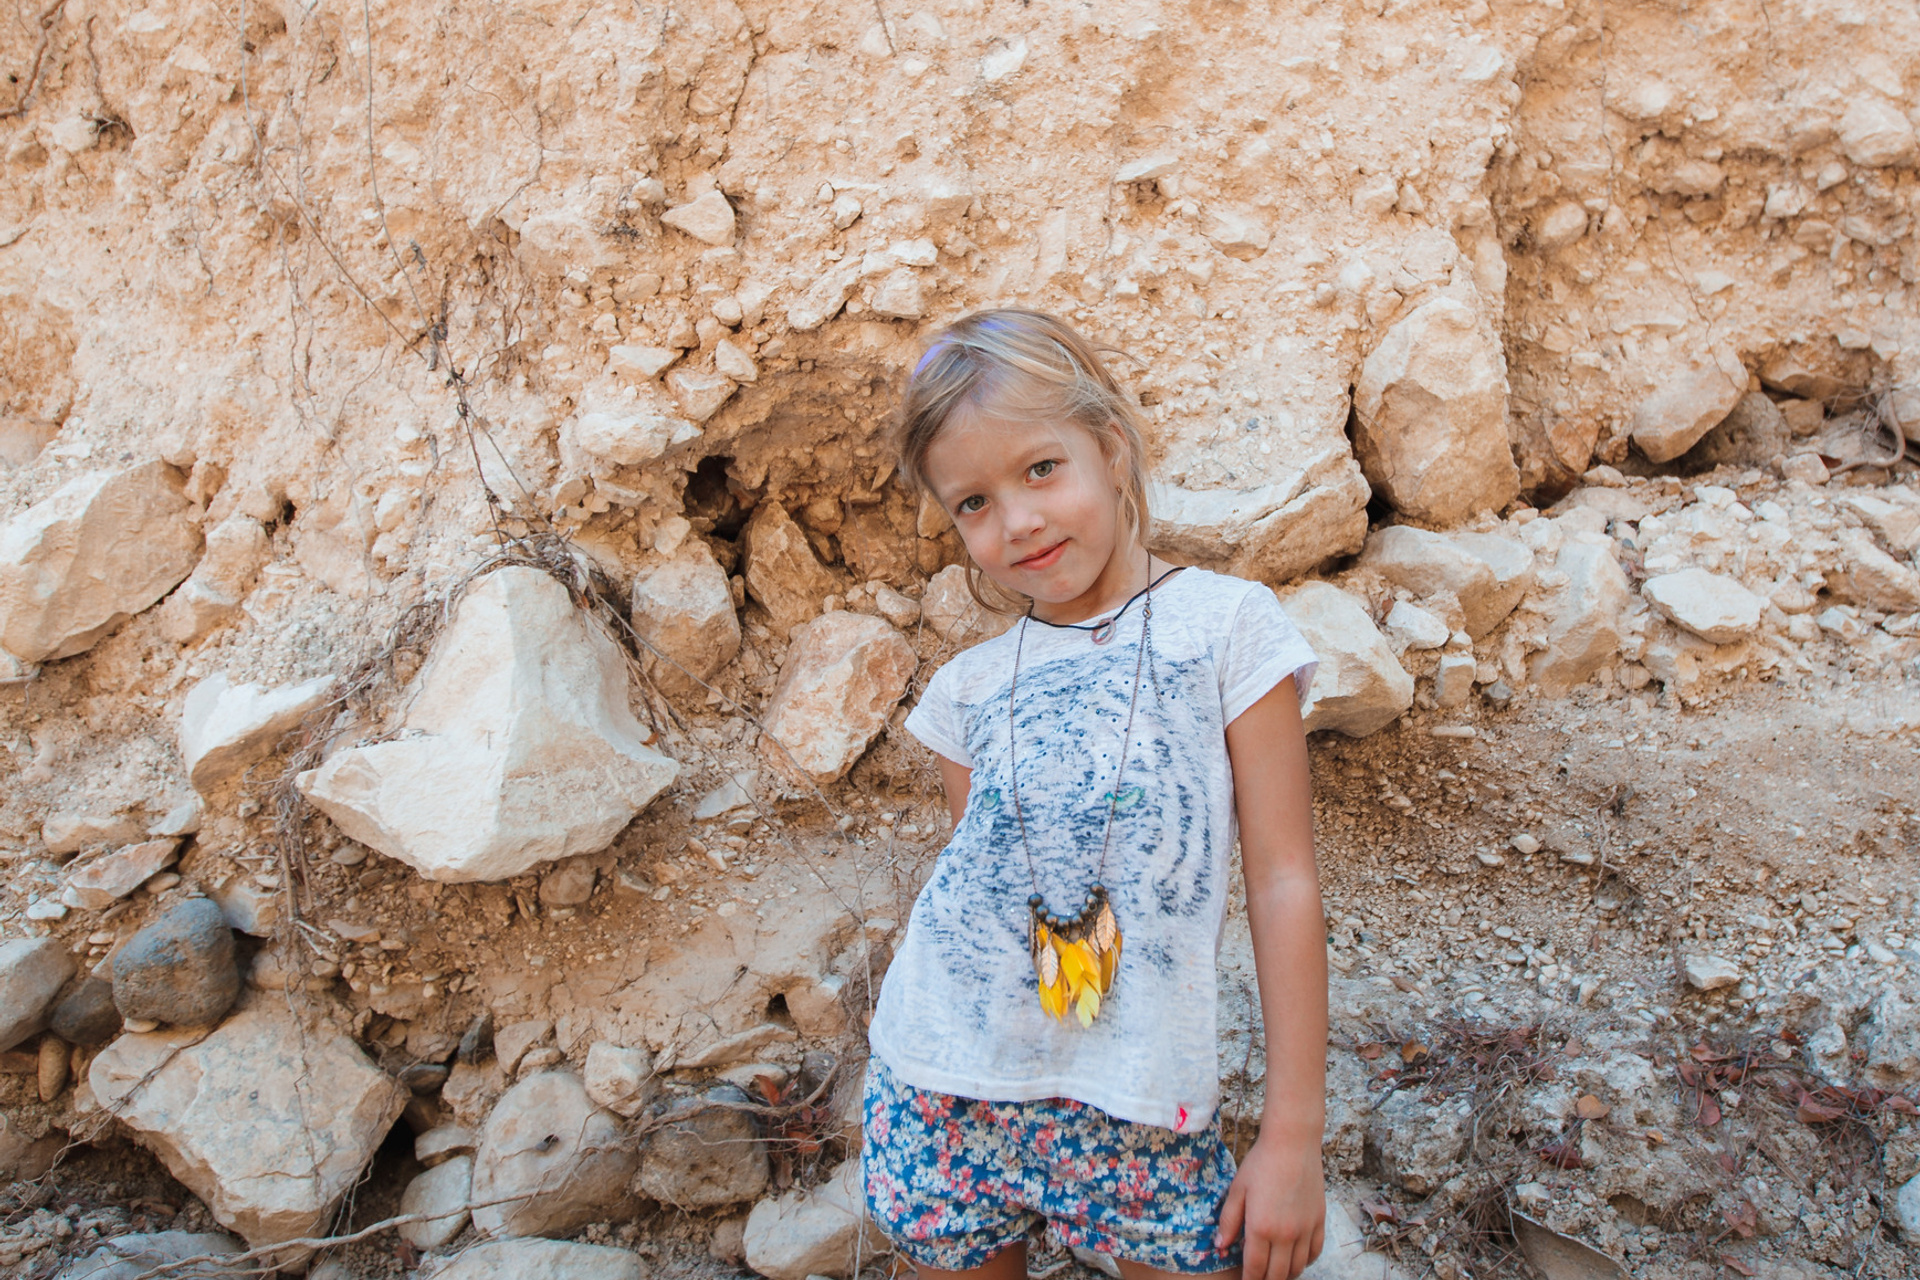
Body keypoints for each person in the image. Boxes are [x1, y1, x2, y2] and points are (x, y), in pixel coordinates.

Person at [861, 308, 1329, 1280]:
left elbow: (1284, 880)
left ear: (1110, 449)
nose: (1018, 520)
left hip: (1141, 1100)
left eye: (1041, 469)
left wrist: (1293, 1135)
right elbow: (1001, 902)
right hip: (944, 1084)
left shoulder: (1227, 628)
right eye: (973, 502)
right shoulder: (969, 689)